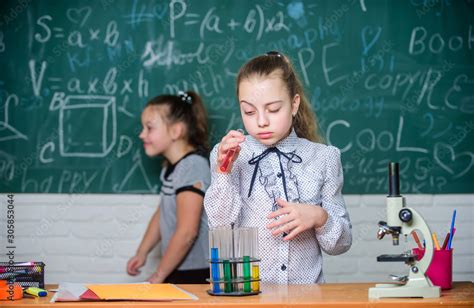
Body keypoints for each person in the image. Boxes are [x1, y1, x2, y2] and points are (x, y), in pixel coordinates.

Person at [204, 51, 352, 284]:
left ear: (294, 104)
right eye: (249, 112)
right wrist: (223, 173)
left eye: (273, 109)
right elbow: (220, 226)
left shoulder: (324, 158)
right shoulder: (230, 154)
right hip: (250, 297)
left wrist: (319, 217)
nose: (261, 121)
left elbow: (341, 244)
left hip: (307, 300)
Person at [127, 91, 211, 284]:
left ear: (176, 131)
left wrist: (160, 274)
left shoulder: (192, 167)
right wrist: (142, 252)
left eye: (149, 128)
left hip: (195, 272)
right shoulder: (172, 168)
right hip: (178, 267)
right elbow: (162, 213)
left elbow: (187, 232)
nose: (142, 134)